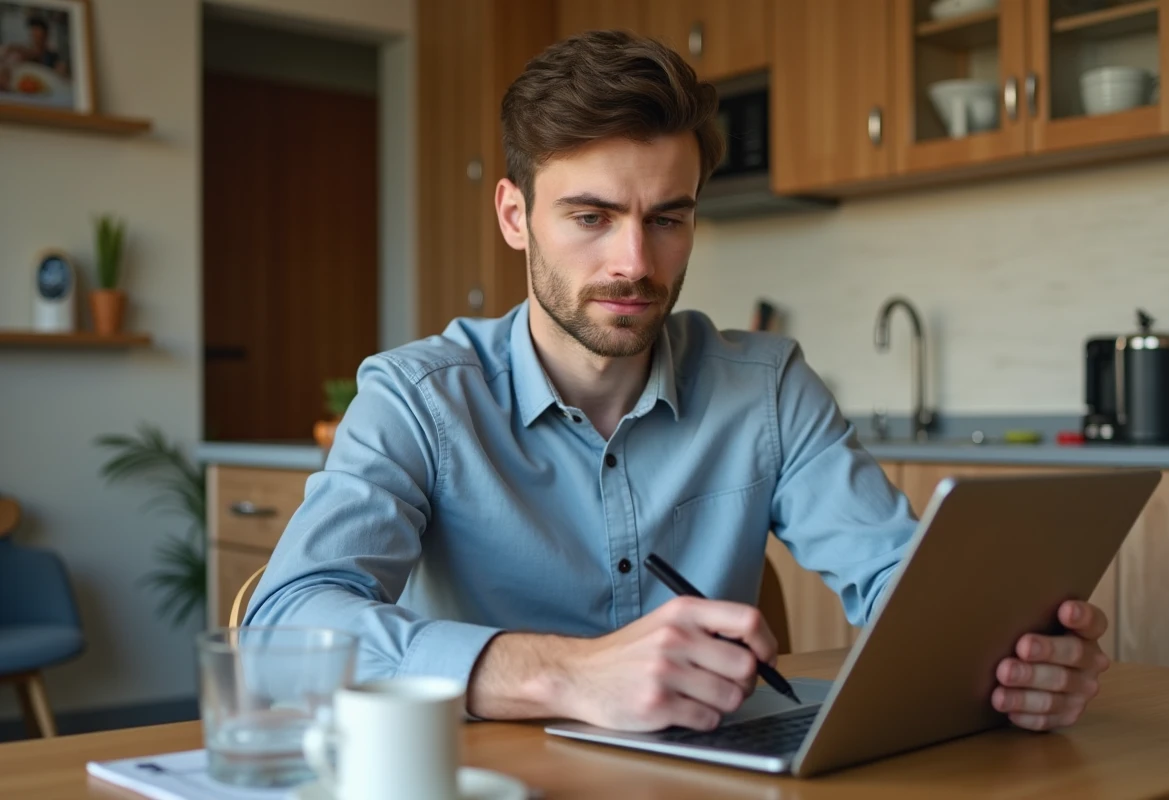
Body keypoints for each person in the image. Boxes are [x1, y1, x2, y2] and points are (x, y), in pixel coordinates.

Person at [244, 30, 1109, 734]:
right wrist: (570, 674)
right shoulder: (417, 398)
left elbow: (900, 582)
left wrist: (1015, 666)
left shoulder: (767, 386)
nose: (634, 261)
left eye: (667, 218)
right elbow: (284, 626)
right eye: (591, 217)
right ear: (515, 216)